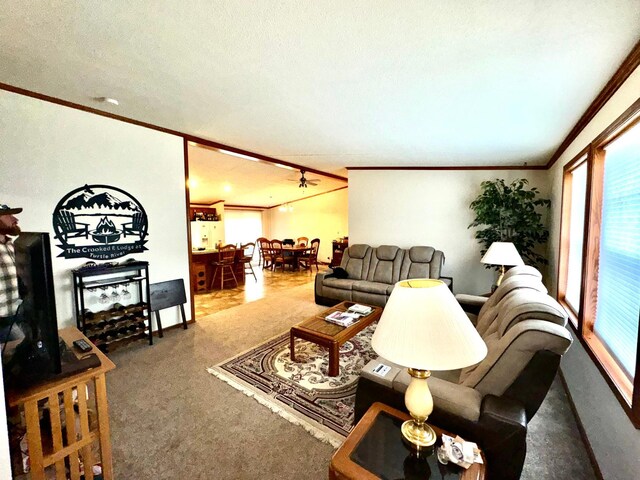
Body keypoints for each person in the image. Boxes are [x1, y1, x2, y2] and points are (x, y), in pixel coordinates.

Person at [0, 203, 23, 344]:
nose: (15, 219)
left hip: (16, 313)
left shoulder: (10, 244)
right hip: (2, 320)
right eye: (8, 215)